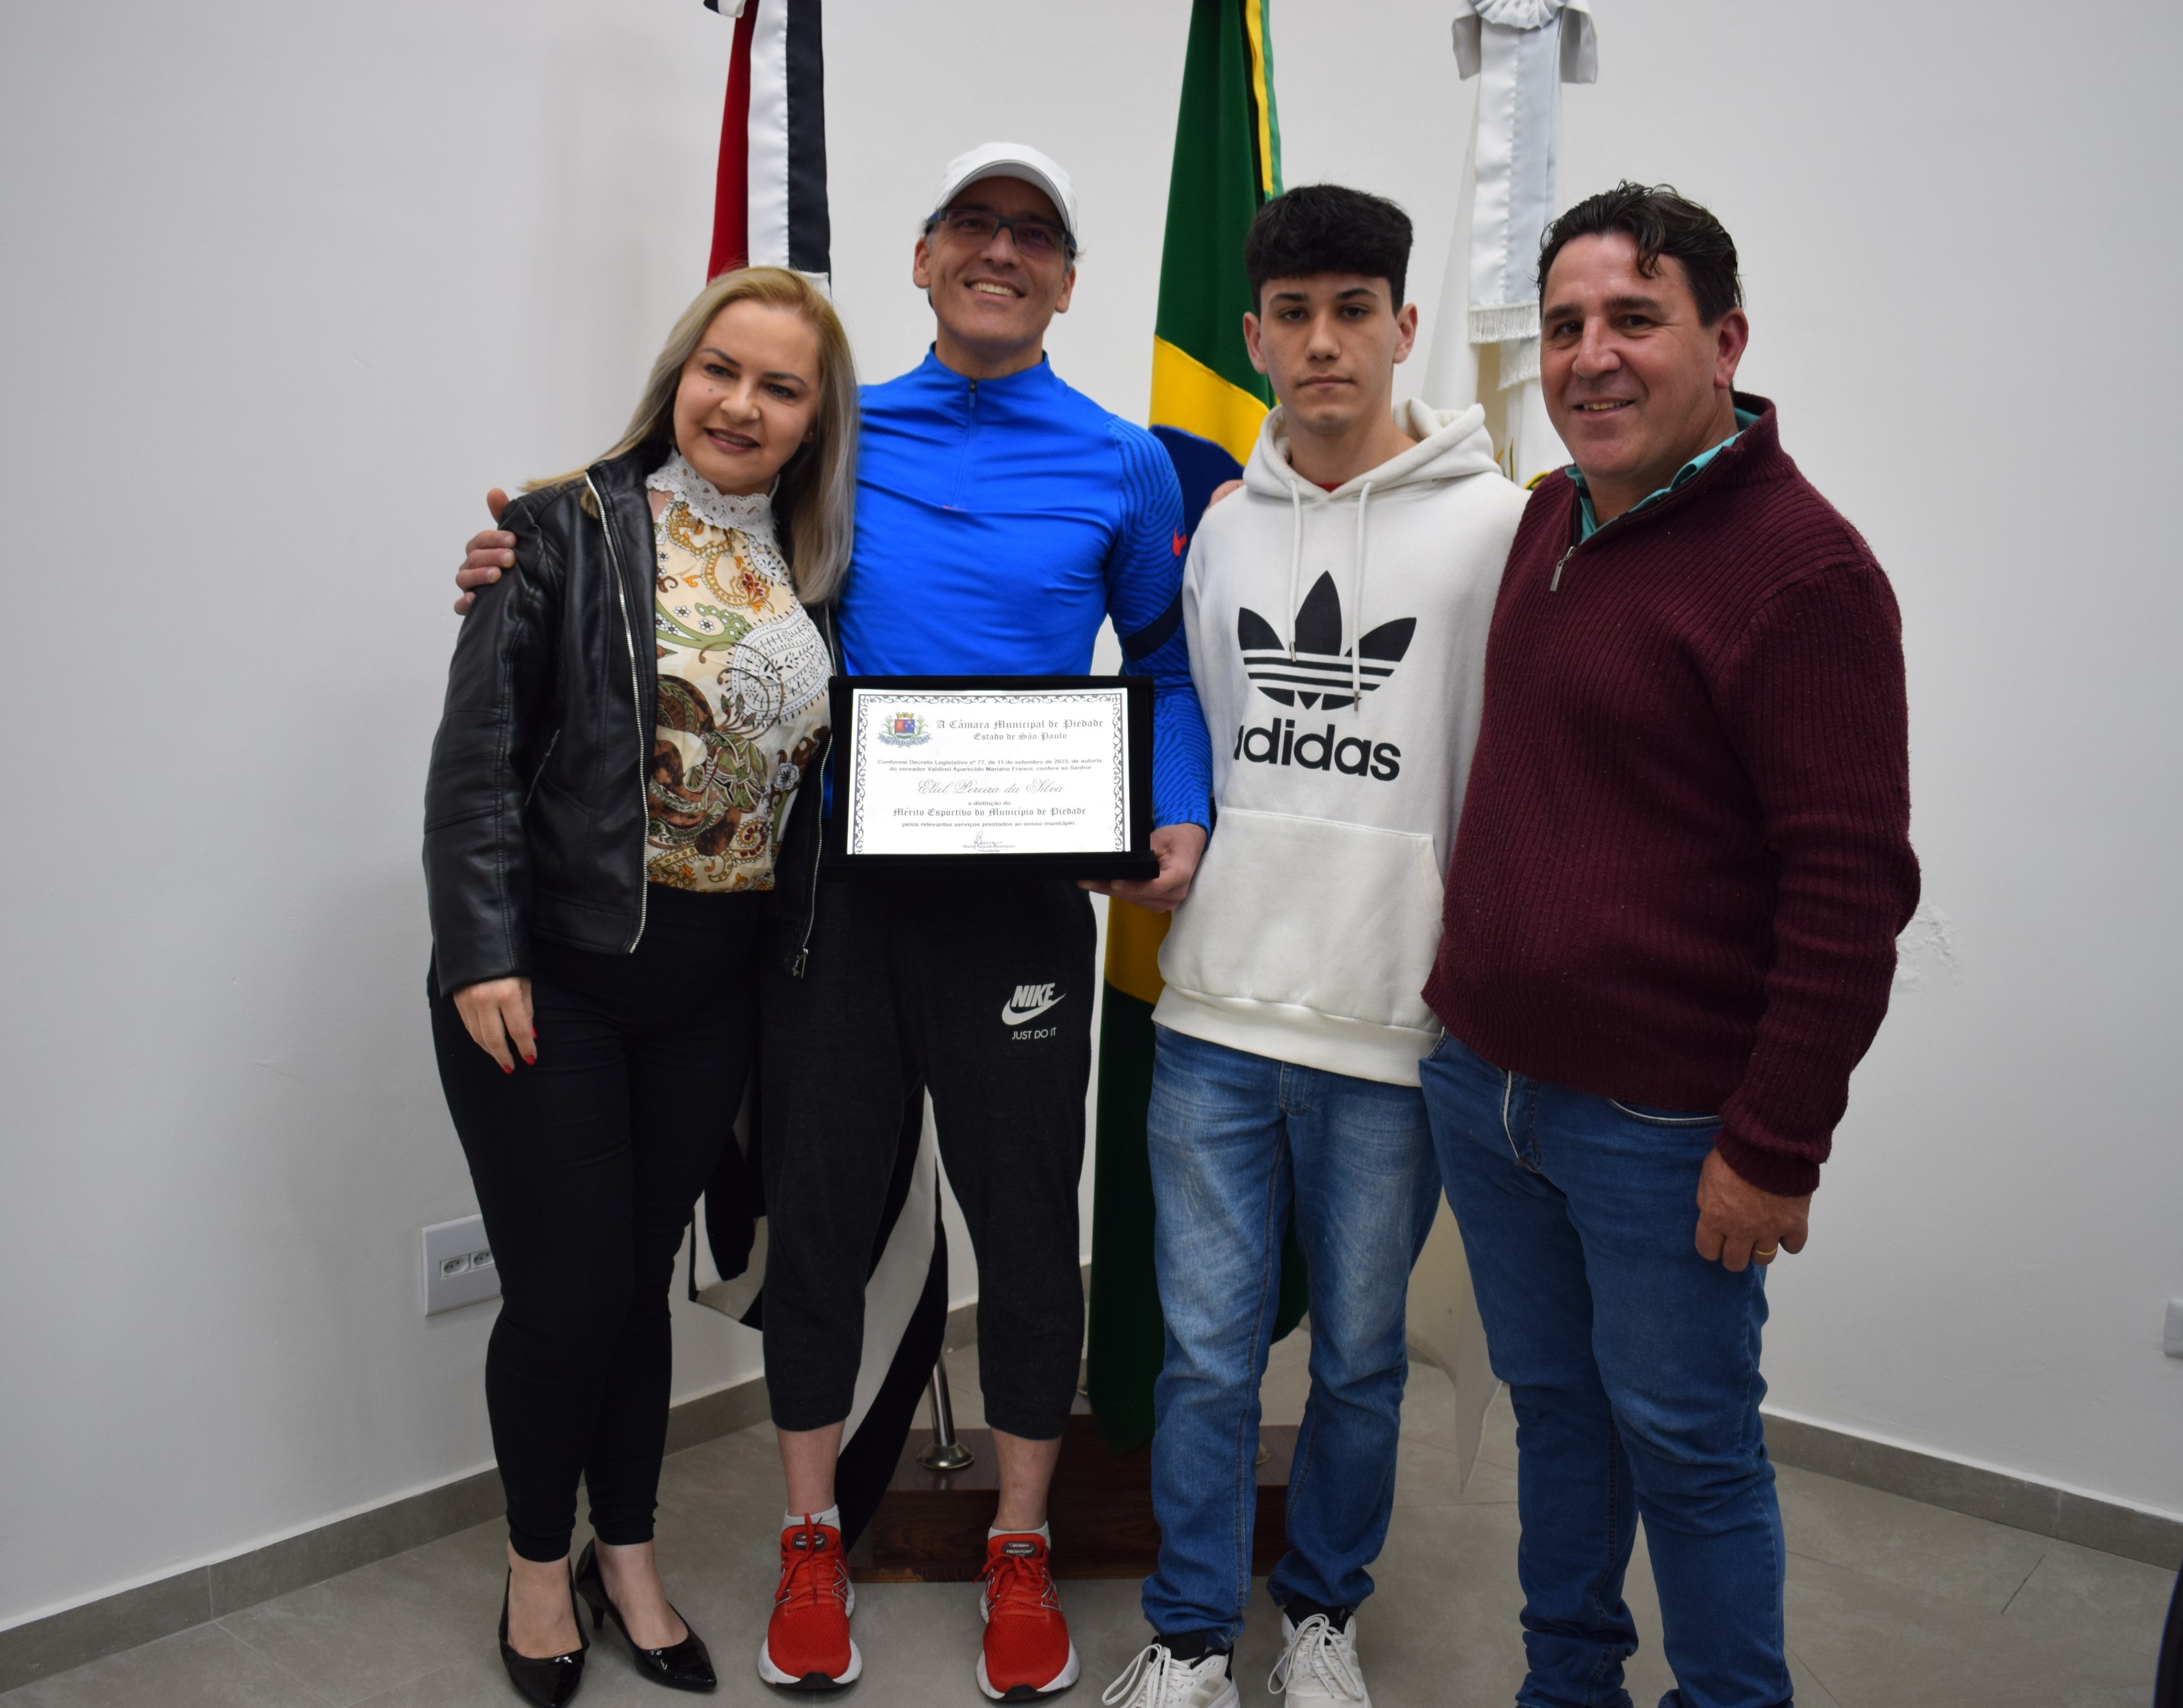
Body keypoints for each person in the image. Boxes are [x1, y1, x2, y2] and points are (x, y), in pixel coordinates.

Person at [459, 142, 1211, 1701]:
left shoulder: (1128, 463)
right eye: (972, 225)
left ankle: (1018, 1545)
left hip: (1022, 907)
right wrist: (527, 557)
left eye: (1035, 235)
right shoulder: (838, 439)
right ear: (922, 258)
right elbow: (691, 539)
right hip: (830, 905)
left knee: (1028, 1229)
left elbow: (1161, 664)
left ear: (1069, 281)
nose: (1001, 251)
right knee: (813, 1221)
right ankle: (812, 1538)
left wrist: (1179, 808)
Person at [1418, 183, 1920, 1708]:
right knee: (1557, 1417)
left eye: (1634, 318)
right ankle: (1566, 1684)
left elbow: (1850, 895)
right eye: (1565, 324)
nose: (1591, 356)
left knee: (1689, 1447)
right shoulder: (1547, 520)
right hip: (1487, 1089)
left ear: (1725, 341)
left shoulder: (1803, 574)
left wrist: (1773, 1146)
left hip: (1661, 1128)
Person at [1096, 185, 1526, 1708]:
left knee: (1355, 1359)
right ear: (1254, 335)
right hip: (1216, 1015)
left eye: (1353, 310)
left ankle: (1323, 1615)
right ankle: (1190, 1634)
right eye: (1293, 314)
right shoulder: (1220, 528)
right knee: (1206, 1359)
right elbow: (1190, 719)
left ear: (1405, 326)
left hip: (1395, 1031)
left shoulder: (1496, 528)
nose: (1323, 341)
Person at [424, 265, 857, 1706]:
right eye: (720, 369)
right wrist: (481, 949)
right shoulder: (560, 527)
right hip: (552, 975)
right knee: (566, 1294)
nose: (741, 404)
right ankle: (535, 1565)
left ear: (815, 418)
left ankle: (628, 1550)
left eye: (780, 386)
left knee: (634, 1288)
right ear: (680, 374)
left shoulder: (821, 568)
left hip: (712, 993)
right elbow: (478, 762)